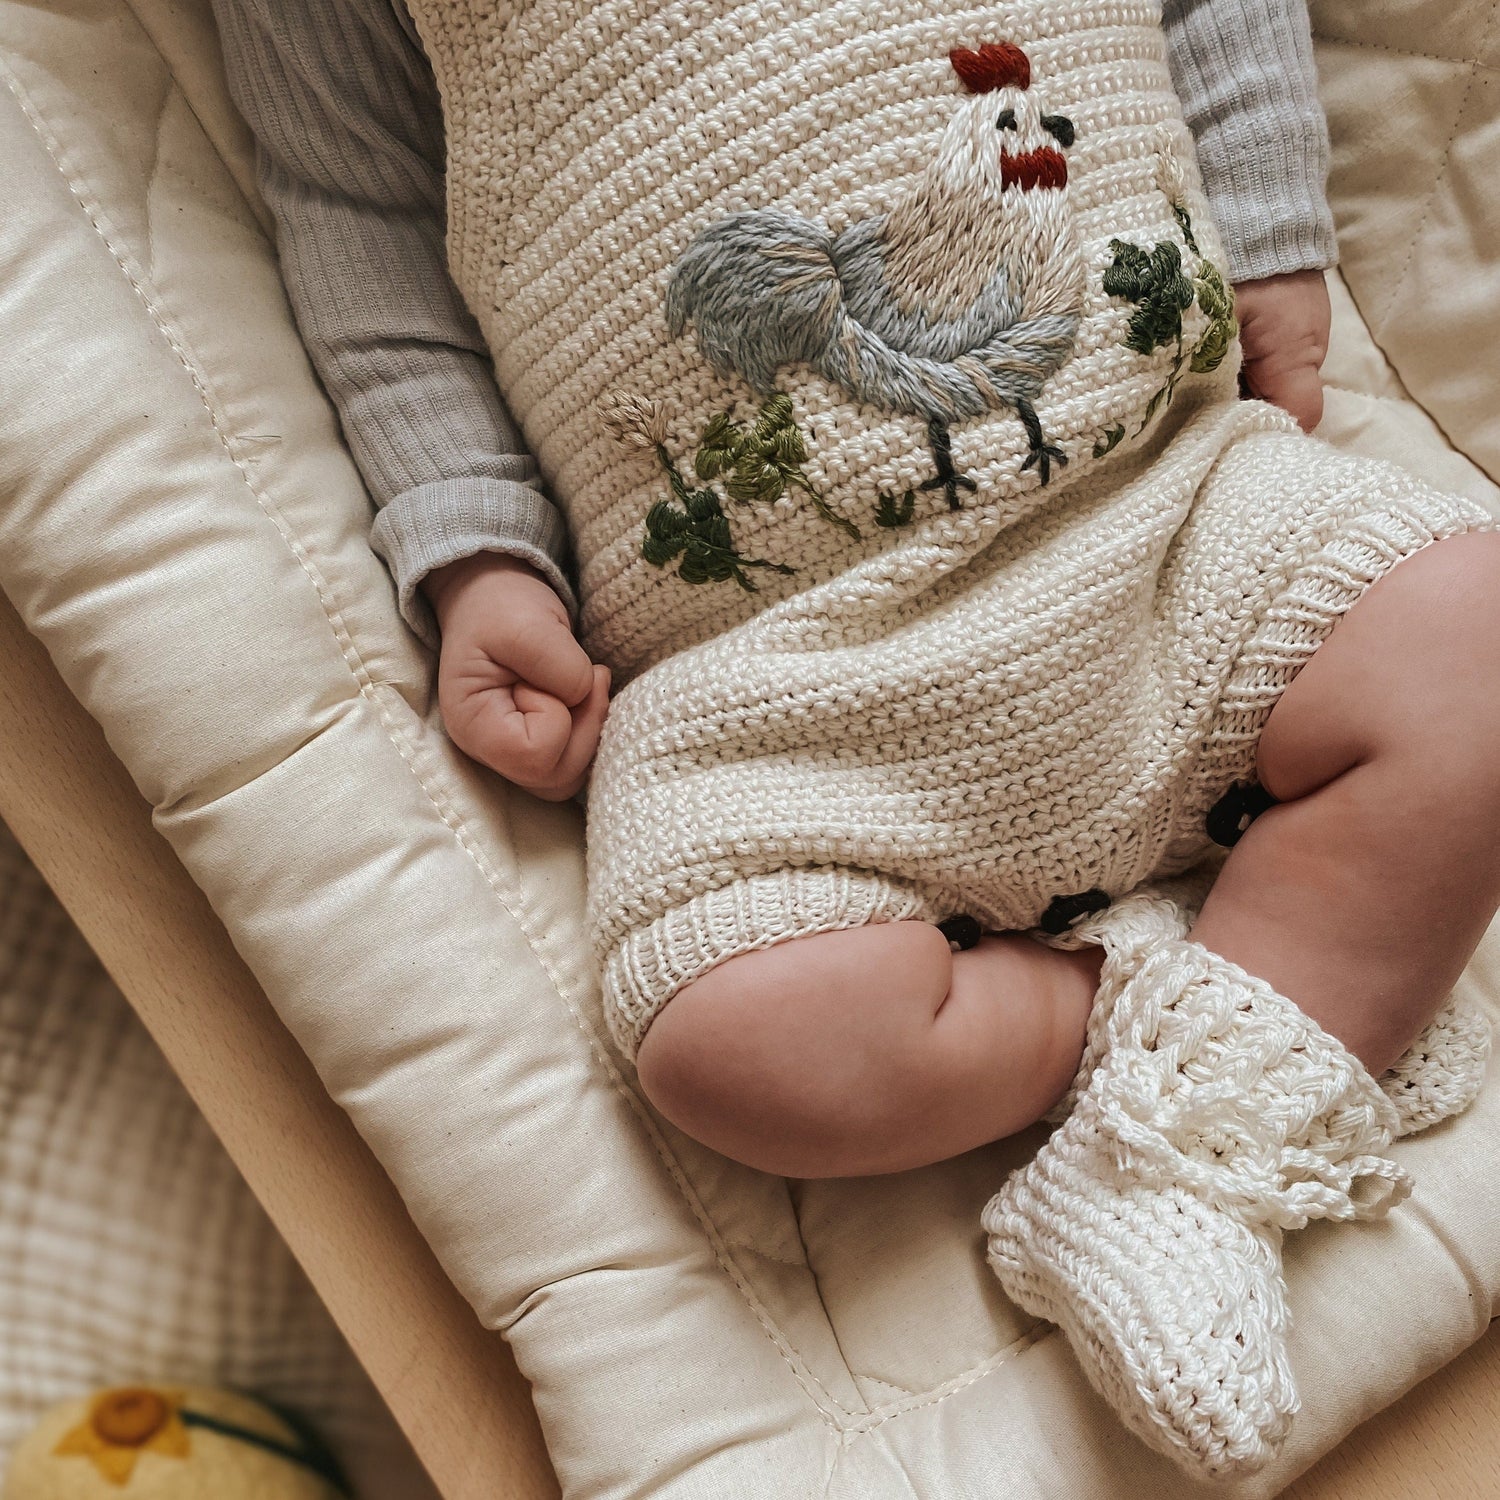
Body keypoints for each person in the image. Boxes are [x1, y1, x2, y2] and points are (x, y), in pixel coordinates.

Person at [211, 0, 1499, 1477]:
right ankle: (1195, 1006)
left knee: (1473, 635)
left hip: (1172, 516)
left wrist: (1271, 233)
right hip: (785, 687)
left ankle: (1186, 1161)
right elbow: (360, 215)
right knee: (730, 1045)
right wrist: (476, 549)